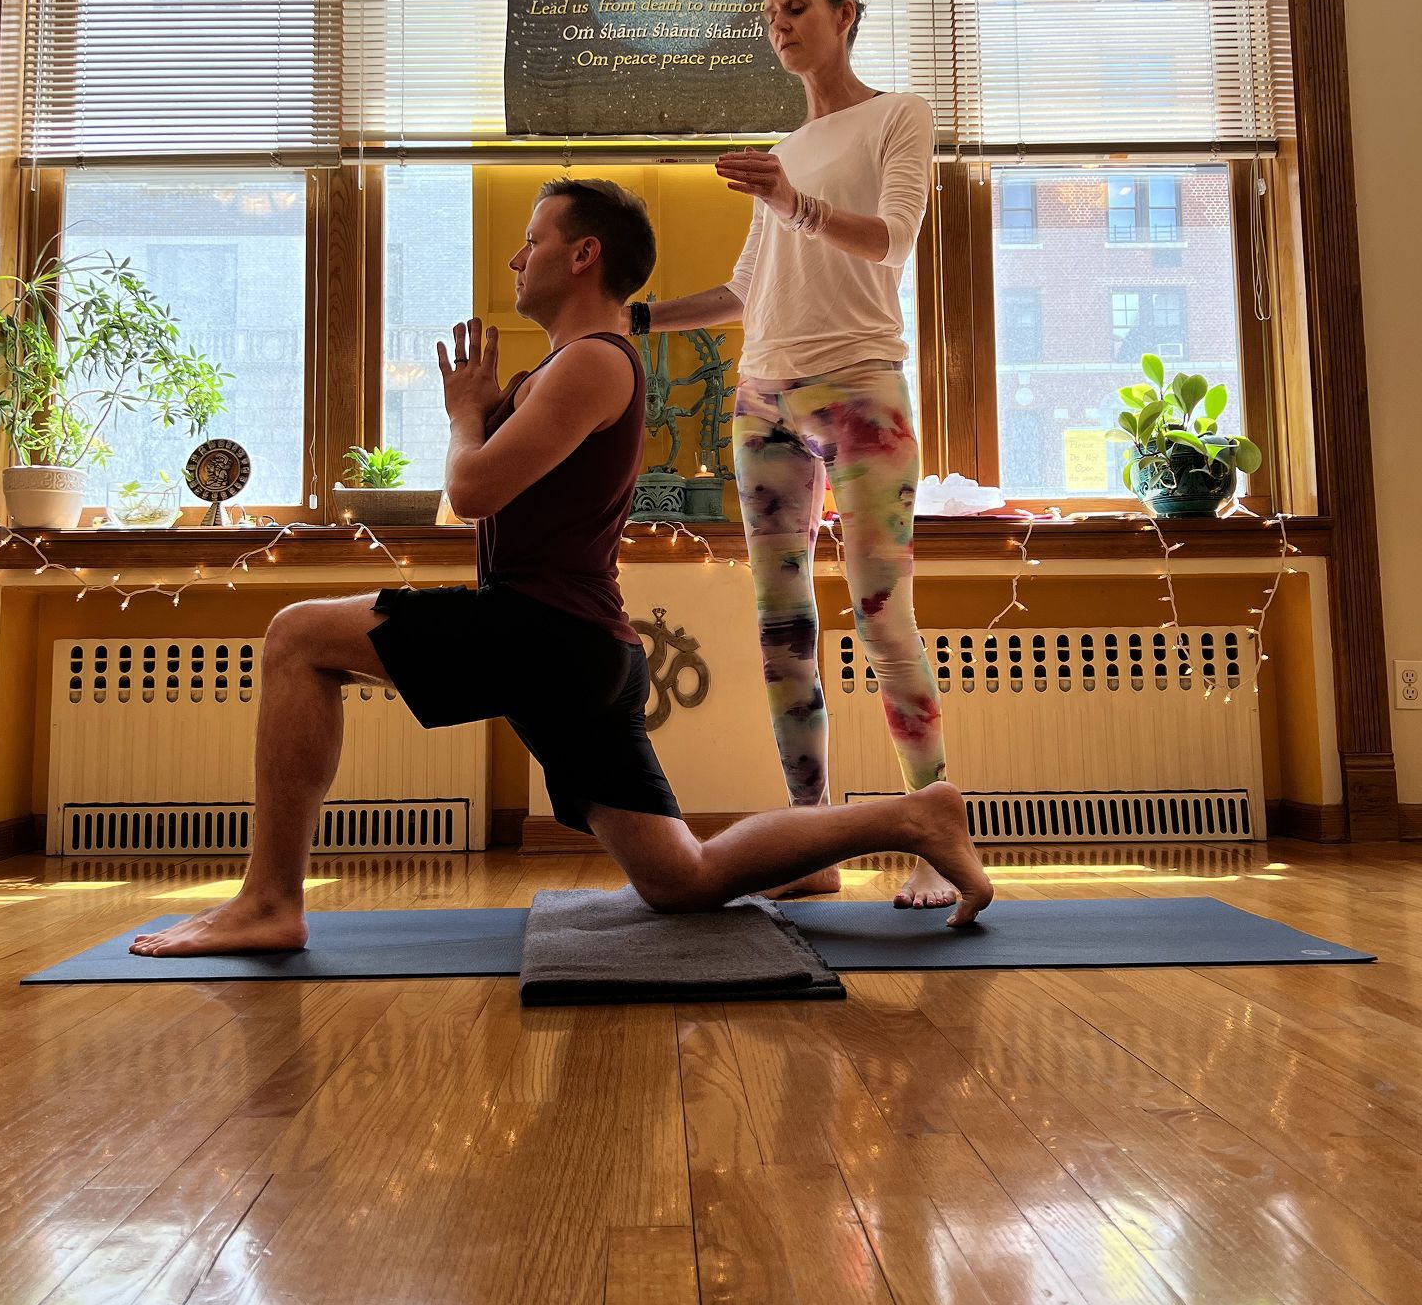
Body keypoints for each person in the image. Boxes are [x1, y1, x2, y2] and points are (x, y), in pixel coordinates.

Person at [130, 178, 989, 958]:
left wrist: (466, 413)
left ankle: (270, 899)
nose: (516, 255)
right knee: (680, 878)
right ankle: (913, 814)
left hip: (544, 632)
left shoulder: (593, 361)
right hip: (575, 649)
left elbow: (469, 491)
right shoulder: (567, 365)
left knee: (297, 636)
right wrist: (489, 404)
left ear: (585, 256)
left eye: (534, 239)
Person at [630, 0, 957, 908]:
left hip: (860, 392)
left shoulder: (898, 115)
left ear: (847, 12)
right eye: (769, 13)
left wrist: (793, 199)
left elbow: (889, 241)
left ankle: (934, 840)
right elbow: (745, 291)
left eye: (797, 6)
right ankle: (807, 844)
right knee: (783, 633)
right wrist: (640, 317)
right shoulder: (785, 149)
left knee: (881, 616)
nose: (780, 24)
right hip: (763, 399)